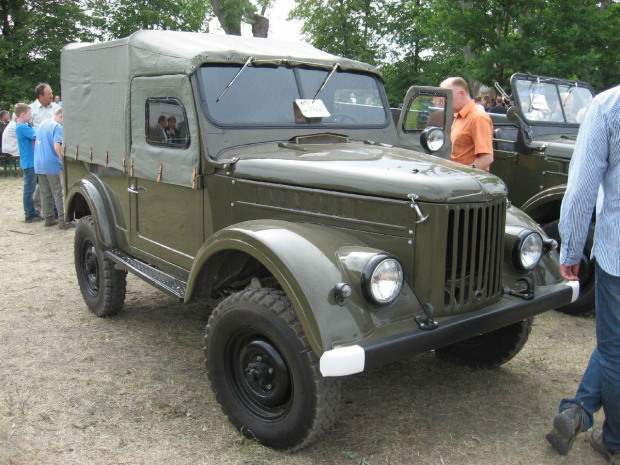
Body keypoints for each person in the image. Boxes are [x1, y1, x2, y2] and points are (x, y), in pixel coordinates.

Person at [545, 85, 620, 465]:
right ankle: (578, 410)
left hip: (618, 251)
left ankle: (612, 437)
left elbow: (581, 186)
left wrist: (570, 249)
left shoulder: (609, 104)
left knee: (614, 346)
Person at [441, 77, 494, 171]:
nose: (445, 101)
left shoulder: (478, 118)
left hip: (466, 182)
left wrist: (464, 175)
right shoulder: (459, 116)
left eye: (448, 96)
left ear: (462, 93)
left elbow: (486, 159)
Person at [34, 108, 73, 229]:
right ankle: (63, 221)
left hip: (39, 163)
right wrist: (64, 161)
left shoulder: (42, 124)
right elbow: (57, 146)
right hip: (51, 164)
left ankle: (49, 218)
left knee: (45, 193)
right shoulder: (57, 127)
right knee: (58, 192)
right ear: (61, 116)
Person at [14, 103, 42, 223]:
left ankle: (34, 211)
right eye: (29, 113)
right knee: (29, 190)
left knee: (36, 187)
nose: (31, 115)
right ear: (22, 114)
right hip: (30, 163)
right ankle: (30, 214)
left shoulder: (23, 126)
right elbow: (37, 134)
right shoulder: (22, 127)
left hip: (31, 161)